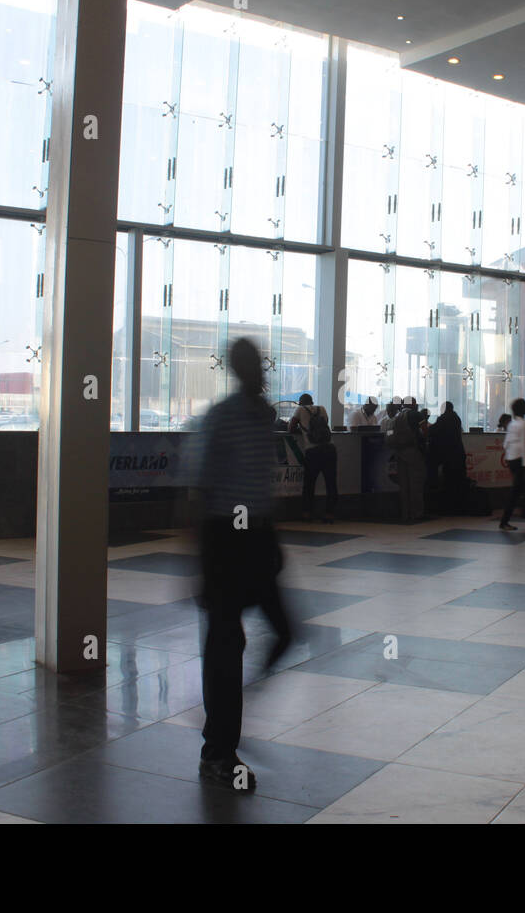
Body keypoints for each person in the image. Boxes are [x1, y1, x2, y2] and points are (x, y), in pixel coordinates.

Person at [194, 338, 291, 792]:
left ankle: (238, 699)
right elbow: (199, 487)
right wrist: (200, 561)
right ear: (238, 369)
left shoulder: (260, 415)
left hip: (255, 536)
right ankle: (218, 751)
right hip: (225, 540)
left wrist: (271, 536)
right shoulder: (225, 416)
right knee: (226, 647)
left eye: (262, 363)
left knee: (286, 630)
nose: (262, 371)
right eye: (254, 364)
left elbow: (260, 482)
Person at [288, 393, 337, 523]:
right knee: (331, 483)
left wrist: (301, 428)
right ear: (312, 401)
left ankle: (307, 513)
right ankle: (330, 514)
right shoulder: (322, 408)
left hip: (313, 450)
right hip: (329, 449)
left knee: (309, 484)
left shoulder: (299, 410)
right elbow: (324, 425)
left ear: (300, 403)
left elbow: (290, 428)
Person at [390, 399, 428, 523]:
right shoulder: (415, 414)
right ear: (413, 404)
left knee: (404, 485)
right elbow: (425, 430)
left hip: (399, 453)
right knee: (415, 483)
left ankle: (405, 513)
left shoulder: (396, 417)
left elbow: (389, 434)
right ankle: (417, 513)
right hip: (413, 453)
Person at [499, 398, 525, 531]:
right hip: (520, 461)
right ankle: (504, 521)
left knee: (522, 489)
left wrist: (508, 457)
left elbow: (505, 444)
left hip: (511, 459)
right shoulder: (524, 425)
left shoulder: (512, 424)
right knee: (516, 492)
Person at [429, 401, 467, 513]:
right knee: (459, 482)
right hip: (458, 454)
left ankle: (451, 507)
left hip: (449, 456)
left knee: (450, 482)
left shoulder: (443, 419)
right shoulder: (457, 418)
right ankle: (459, 506)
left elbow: (432, 431)